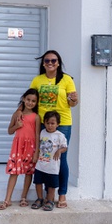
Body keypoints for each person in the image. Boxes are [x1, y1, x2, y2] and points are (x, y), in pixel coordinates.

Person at [30, 50, 78, 208]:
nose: (50, 63)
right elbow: (31, 100)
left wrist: (74, 100)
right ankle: (47, 195)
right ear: (43, 63)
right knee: (45, 157)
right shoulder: (37, 80)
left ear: (58, 62)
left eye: (53, 60)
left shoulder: (66, 79)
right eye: (47, 61)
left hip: (62, 123)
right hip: (43, 123)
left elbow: (72, 103)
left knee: (60, 158)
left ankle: (62, 194)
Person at [0, 88, 41, 210]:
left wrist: (36, 152)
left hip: (30, 148)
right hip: (18, 147)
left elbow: (37, 135)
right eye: (28, 100)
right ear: (23, 99)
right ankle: (7, 199)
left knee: (28, 172)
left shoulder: (36, 117)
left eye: (33, 101)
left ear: (36, 103)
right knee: (14, 172)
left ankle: (23, 197)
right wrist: (17, 126)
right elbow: (9, 131)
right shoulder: (17, 114)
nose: (30, 103)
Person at [30, 111, 68, 211]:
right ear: (44, 123)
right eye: (47, 123)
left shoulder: (60, 135)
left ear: (58, 124)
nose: (50, 126)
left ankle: (50, 200)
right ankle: (40, 198)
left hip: (52, 166)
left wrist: (59, 150)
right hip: (41, 164)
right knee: (38, 182)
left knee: (51, 185)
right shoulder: (42, 132)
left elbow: (65, 147)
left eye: (52, 123)